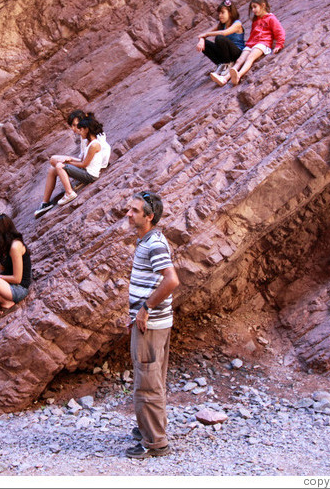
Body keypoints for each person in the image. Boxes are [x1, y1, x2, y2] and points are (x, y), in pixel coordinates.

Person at [124, 191, 179, 459]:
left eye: (134, 210)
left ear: (149, 216)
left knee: (147, 382)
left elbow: (171, 280)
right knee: (152, 377)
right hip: (153, 323)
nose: (128, 214)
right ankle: (150, 429)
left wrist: (144, 311)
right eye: (129, 209)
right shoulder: (147, 240)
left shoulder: (153, 243)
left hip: (151, 325)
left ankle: (155, 442)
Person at [35, 112, 110, 216]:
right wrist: (70, 160)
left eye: (77, 126)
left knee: (59, 165)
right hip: (88, 166)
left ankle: (69, 192)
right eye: (73, 126)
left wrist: (70, 163)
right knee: (53, 167)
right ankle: (45, 203)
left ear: (86, 126)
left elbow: (88, 161)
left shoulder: (95, 141)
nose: (76, 129)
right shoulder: (87, 140)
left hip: (92, 170)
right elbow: (84, 158)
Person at [227, 0, 285, 86]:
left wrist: (279, 44)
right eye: (252, 8)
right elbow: (253, 34)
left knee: (250, 57)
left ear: (263, 5)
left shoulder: (271, 18)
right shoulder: (256, 21)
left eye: (255, 7)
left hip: (263, 43)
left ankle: (238, 75)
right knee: (239, 60)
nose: (253, 10)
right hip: (252, 44)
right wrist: (248, 45)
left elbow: (279, 31)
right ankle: (225, 77)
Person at [197, 0, 245, 86]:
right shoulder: (221, 25)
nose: (220, 15)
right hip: (226, 55)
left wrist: (206, 34)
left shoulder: (237, 23)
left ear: (230, 13)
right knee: (205, 44)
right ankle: (222, 64)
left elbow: (224, 33)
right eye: (219, 13)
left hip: (237, 53)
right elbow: (202, 35)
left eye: (222, 13)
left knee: (220, 38)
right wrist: (201, 40)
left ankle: (228, 65)